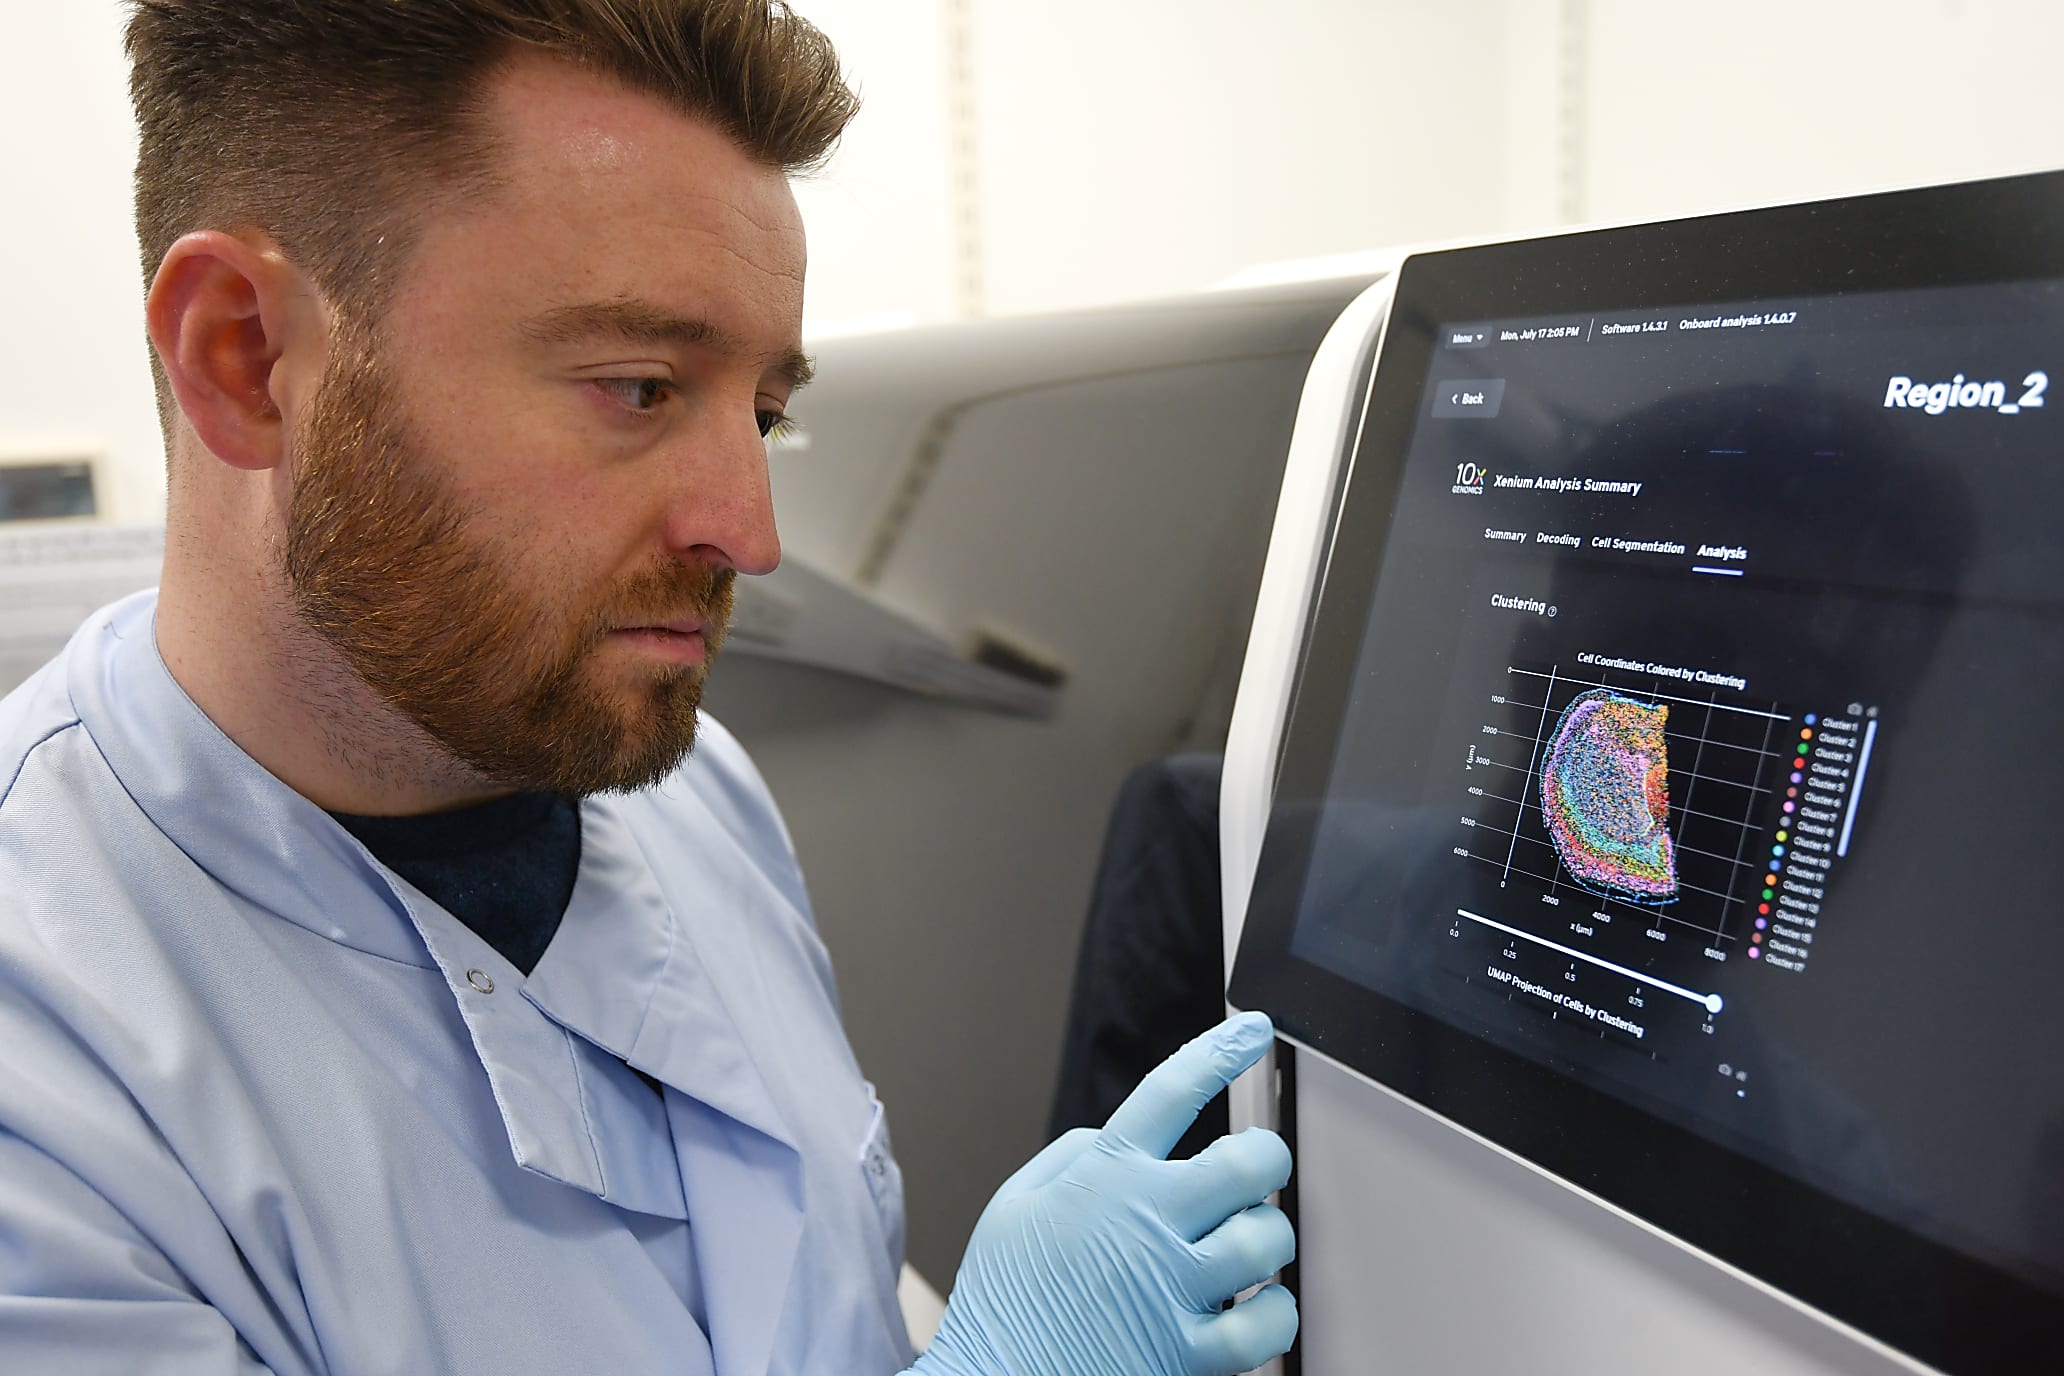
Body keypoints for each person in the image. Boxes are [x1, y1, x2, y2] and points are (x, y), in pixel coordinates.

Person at [0, 3, 1297, 1374]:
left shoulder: (693, 794)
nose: (751, 531)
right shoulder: (48, 1068)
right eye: (637, 387)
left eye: (765, 413)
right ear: (243, 357)